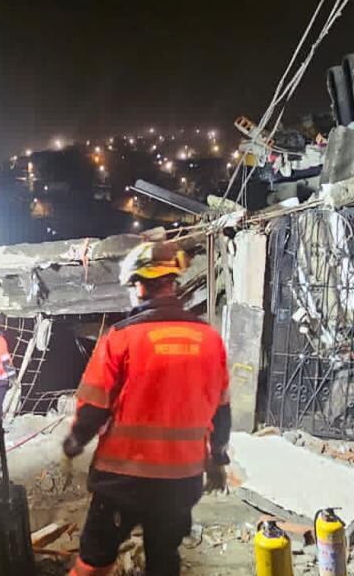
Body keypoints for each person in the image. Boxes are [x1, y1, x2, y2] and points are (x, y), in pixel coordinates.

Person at [63, 241, 231, 576]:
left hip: (121, 478)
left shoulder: (121, 338)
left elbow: (94, 406)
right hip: (181, 479)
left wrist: (75, 442)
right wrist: (217, 460)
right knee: (164, 558)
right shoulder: (210, 340)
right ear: (172, 284)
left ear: (139, 286)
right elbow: (221, 412)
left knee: (95, 560)